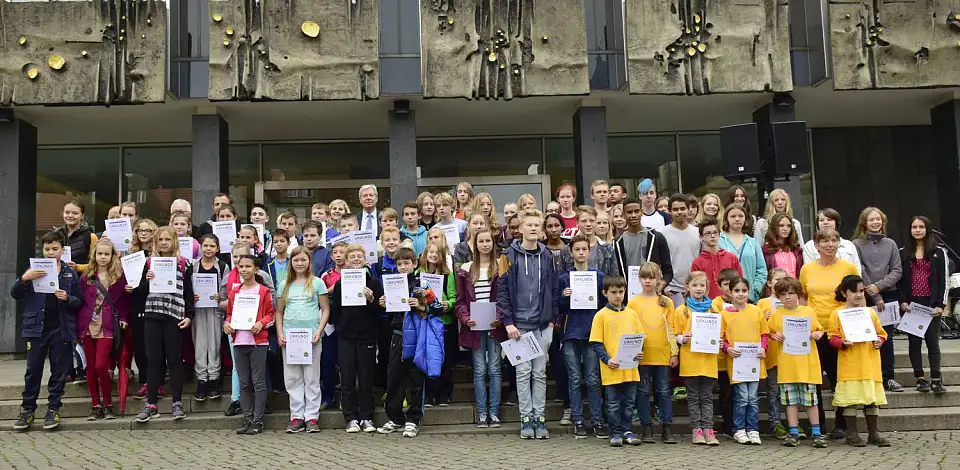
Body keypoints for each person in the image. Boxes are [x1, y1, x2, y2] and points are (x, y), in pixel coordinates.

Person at [12, 232, 82, 431]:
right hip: (36, 328)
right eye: (47, 249)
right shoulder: (34, 270)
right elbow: (15, 293)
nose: (51, 253)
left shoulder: (70, 272)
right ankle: (27, 410)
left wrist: (67, 298)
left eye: (55, 249)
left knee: (59, 371)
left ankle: (53, 409)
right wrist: (24, 279)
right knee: (33, 370)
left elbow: (79, 301)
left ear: (62, 249)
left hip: (60, 327)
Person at [497, 209, 558, 439]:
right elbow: (502, 292)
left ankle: (539, 419)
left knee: (540, 373)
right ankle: (525, 419)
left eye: (536, 225)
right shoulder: (506, 257)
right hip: (518, 326)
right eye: (529, 225)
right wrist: (508, 322)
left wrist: (552, 321)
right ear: (519, 229)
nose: (533, 228)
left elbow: (553, 291)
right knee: (523, 372)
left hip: (542, 324)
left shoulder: (549, 257)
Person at [799, 228, 860, 438]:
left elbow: (857, 297)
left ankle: (842, 424)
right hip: (814, 332)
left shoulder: (848, 267)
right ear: (816, 245)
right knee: (815, 380)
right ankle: (818, 424)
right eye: (825, 241)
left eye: (834, 240)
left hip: (838, 330)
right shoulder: (806, 269)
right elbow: (803, 299)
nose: (830, 244)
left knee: (838, 378)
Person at [134, 226, 194, 423]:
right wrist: (146, 280)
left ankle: (177, 402)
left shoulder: (184, 264)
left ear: (174, 241)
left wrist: (189, 316)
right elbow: (140, 293)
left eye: (168, 239)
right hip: (152, 315)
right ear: (155, 242)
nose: (164, 243)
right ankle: (151, 404)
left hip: (174, 316)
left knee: (174, 360)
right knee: (153, 360)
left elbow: (188, 292)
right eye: (161, 240)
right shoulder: (149, 262)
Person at [376, 247, 433, 438]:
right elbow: (391, 312)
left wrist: (421, 305)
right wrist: (384, 303)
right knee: (394, 378)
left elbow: (436, 308)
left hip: (416, 337)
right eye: (399, 264)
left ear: (414, 264)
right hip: (398, 334)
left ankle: (413, 419)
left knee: (416, 379)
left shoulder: (422, 284)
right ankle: (395, 418)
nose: (402, 267)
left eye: (406, 263)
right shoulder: (392, 283)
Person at [829, 275, 891, 447]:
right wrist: (842, 343)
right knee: (850, 400)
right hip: (850, 365)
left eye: (861, 291)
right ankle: (852, 434)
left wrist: (880, 341)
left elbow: (881, 333)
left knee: (871, 400)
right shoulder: (837, 314)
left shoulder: (870, 312)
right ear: (844, 292)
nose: (858, 294)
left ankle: (873, 434)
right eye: (853, 291)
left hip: (869, 363)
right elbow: (831, 337)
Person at [558, 234, 609, 439]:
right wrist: (564, 296)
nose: (580, 253)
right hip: (571, 333)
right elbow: (559, 307)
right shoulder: (564, 278)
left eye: (583, 249)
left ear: (589, 251)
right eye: (576, 249)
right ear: (571, 253)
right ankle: (578, 420)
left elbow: (603, 305)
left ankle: (597, 421)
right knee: (574, 378)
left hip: (592, 333)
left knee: (593, 378)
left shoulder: (598, 276)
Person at [767, 276, 827, 448]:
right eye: (784, 294)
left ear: (799, 294)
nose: (788, 297)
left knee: (811, 401)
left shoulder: (808, 312)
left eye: (791, 293)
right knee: (790, 401)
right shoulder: (778, 314)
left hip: (807, 365)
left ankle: (816, 432)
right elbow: (770, 331)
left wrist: (817, 334)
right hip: (787, 365)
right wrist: (774, 336)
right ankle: (793, 431)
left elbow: (819, 330)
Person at [221, 241, 278, 417]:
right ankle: (247, 417)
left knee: (259, 382)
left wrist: (261, 323)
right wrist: (227, 324)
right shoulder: (235, 291)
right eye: (240, 266)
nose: (244, 269)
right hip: (238, 340)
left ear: (256, 269)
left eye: (248, 266)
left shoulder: (263, 291)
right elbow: (230, 313)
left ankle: (258, 418)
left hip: (258, 340)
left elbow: (271, 314)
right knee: (244, 383)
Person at [276, 246, 330, 433]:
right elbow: (279, 312)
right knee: (293, 378)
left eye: (303, 260)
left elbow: (325, 309)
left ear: (309, 262)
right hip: (290, 338)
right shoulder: (284, 285)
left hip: (311, 338)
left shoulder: (317, 283)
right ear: (291, 262)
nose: (299, 263)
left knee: (311, 377)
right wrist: (280, 333)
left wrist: (319, 331)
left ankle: (312, 417)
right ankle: (297, 416)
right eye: (296, 260)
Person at [331, 245, 384, 434]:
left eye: (358, 256)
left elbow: (380, 312)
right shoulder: (339, 284)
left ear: (365, 260)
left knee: (365, 378)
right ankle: (351, 417)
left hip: (367, 337)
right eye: (351, 256)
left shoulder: (374, 283)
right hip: (345, 338)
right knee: (347, 378)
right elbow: (334, 311)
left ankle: (367, 417)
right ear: (345, 260)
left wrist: (371, 300)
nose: (355, 259)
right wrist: (340, 327)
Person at [457, 229, 506, 428]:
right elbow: (460, 301)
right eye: (481, 241)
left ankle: (494, 413)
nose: (485, 244)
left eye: (488, 241)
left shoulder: (501, 266)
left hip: (495, 325)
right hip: (475, 327)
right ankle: (482, 414)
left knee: (494, 368)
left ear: (493, 243)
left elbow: (506, 296)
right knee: (479, 370)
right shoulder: (467, 268)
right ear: (474, 244)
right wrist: (465, 318)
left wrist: (501, 317)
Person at [589, 275, 644, 447]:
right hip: (611, 368)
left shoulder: (632, 314)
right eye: (613, 292)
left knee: (629, 403)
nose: (618, 295)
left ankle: (627, 430)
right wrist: (607, 359)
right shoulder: (600, 316)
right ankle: (616, 432)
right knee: (612, 404)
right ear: (605, 293)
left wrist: (639, 353)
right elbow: (596, 343)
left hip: (630, 369)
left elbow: (639, 338)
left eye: (621, 291)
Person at [77, 239, 130, 421]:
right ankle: (96, 405)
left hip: (107, 325)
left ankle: (108, 403)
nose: (103, 257)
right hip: (88, 325)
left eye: (107, 254)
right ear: (94, 254)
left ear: (112, 255)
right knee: (91, 368)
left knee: (101, 365)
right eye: (100, 253)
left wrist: (123, 318)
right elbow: (81, 301)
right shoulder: (86, 276)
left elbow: (123, 301)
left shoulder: (118, 276)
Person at [852, 207, 902, 392]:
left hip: (888, 294)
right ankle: (868, 377)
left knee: (886, 336)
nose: (875, 222)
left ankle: (888, 377)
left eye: (878, 219)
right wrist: (874, 294)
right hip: (864, 295)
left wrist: (879, 287)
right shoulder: (855, 244)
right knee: (865, 336)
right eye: (872, 220)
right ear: (864, 222)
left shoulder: (891, 244)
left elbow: (897, 270)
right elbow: (859, 270)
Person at [627, 262, 678, 444]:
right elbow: (631, 329)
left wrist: (674, 353)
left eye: (651, 277)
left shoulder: (667, 302)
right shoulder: (633, 302)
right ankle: (646, 427)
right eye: (644, 277)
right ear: (639, 279)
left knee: (664, 391)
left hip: (663, 354)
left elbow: (671, 329)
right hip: (641, 356)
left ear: (658, 279)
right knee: (642, 392)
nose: (647, 281)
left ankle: (667, 427)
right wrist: (632, 352)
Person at [900, 216, 948, 394]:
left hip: (932, 303)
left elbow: (944, 280)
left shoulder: (939, 252)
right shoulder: (903, 252)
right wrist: (903, 301)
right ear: (910, 230)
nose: (918, 230)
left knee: (933, 342)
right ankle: (920, 378)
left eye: (921, 227)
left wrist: (941, 305)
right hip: (913, 304)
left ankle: (936, 379)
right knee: (914, 342)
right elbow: (901, 281)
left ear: (927, 229)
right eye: (914, 227)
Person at [672, 271, 721, 446]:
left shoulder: (714, 309)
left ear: (707, 288)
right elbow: (675, 334)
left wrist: (719, 340)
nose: (698, 289)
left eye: (702, 286)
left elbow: (721, 333)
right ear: (687, 287)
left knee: (707, 397)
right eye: (695, 285)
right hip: (690, 362)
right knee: (693, 397)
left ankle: (708, 429)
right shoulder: (681, 311)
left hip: (708, 362)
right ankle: (697, 430)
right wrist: (682, 339)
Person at [721, 277, 768, 445]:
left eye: (744, 291)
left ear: (748, 292)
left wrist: (763, 348)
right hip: (737, 362)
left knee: (753, 397)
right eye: (737, 291)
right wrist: (727, 348)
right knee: (742, 397)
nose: (741, 294)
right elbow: (721, 338)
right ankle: (739, 429)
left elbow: (764, 333)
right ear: (730, 293)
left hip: (754, 361)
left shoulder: (756, 311)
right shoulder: (724, 314)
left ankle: (753, 429)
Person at [190, 234, 228, 402]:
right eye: (205, 245)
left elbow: (226, 289)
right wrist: (192, 296)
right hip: (198, 310)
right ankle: (201, 379)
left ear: (217, 248)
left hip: (215, 310)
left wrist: (221, 296)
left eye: (212, 246)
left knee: (214, 344)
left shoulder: (222, 266)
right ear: (200, 247)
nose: (208, 249)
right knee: (200, 343)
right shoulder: (193, 266)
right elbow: (187, 287)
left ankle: (213, 379)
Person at [420, 241, 458, 408]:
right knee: (428, 359)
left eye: (438, 253)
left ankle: (444, 394)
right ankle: (429, 394)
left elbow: (453, 297)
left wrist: (448, 305)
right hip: (426, 322)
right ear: (425, 254)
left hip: (444, 322)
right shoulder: (418, 274)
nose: (434, 255)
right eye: (431, 252)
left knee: (445, 360)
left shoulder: (447, 275)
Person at [129, 218, 159, 399]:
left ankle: (157, 382)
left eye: (148, 230)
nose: (144, 233)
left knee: (155, 345)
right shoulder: (131, 254)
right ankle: (144, 381)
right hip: (136, 302)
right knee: (139, 344)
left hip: (155, 301)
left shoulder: (159, 254)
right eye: (140, 230)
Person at [613, 198, 673, 287]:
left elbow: (667, 270)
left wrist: (662, 284)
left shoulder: (656, 237)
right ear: (624, 215)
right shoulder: (617, 242)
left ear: (641, 212)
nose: (633, 215)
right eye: (629, 212)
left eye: (636, 211)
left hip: (652, 293)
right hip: (628, 295)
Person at [758, 268, 788, 439]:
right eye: (776, 279)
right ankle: (775, 422)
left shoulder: (791, 301)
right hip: (772, 352)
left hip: (789, 353)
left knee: (788, 390)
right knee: (773, 390)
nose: (780, 282)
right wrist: (764, 317)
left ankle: (791, 423)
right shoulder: (762, 303)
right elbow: (756, 326)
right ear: (769, 283)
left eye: (784, 279)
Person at [661, 195, 702, 308]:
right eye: (675, 209)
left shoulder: (698, 233)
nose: (679, 212)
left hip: (695, 289)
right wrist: (665, 286)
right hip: (671, 290)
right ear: (669, 211)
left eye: (682, 209)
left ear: (688, 209)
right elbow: (659, 263)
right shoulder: (662, 234)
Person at [719, 204, 766, 303]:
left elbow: (761, 270)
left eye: (740, 216)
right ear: (726, 218)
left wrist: (754, 290)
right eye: (733, 216)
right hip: (724, 300)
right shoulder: (718, 241)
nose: (737, 219)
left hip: (749, 299)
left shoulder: (753, 243)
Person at [691, 218, 742, 300]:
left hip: (731, 303)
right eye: (708, 233)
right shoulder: (697, 262)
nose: (712, 236)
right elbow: (696, 287)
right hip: (708, 306)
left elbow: (740, 282)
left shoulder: (731, 257)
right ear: (701, 237)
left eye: (715, 233)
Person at [560, 206, 616, 276]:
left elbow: (614, 277)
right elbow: (561, 277)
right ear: (577, 223)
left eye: (592, 221)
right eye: (584, 221)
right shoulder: (566, 249)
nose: (588, 224)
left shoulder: (607, 249)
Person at [57, 200, 98, 274]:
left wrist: (78, 267)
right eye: (67, 212)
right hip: (58, 280)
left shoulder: (90, 236)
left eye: (75, 213)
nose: (70, 216)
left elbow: (97, 264)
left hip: (81, 280)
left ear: (82, 216)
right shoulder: (56, 235)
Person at [762, 213, 804, 278]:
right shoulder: (766, 250)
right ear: (774, 227)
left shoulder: (796, 249)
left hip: (795, 287)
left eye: (789, 226)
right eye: (781, 225)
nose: (785, 229)